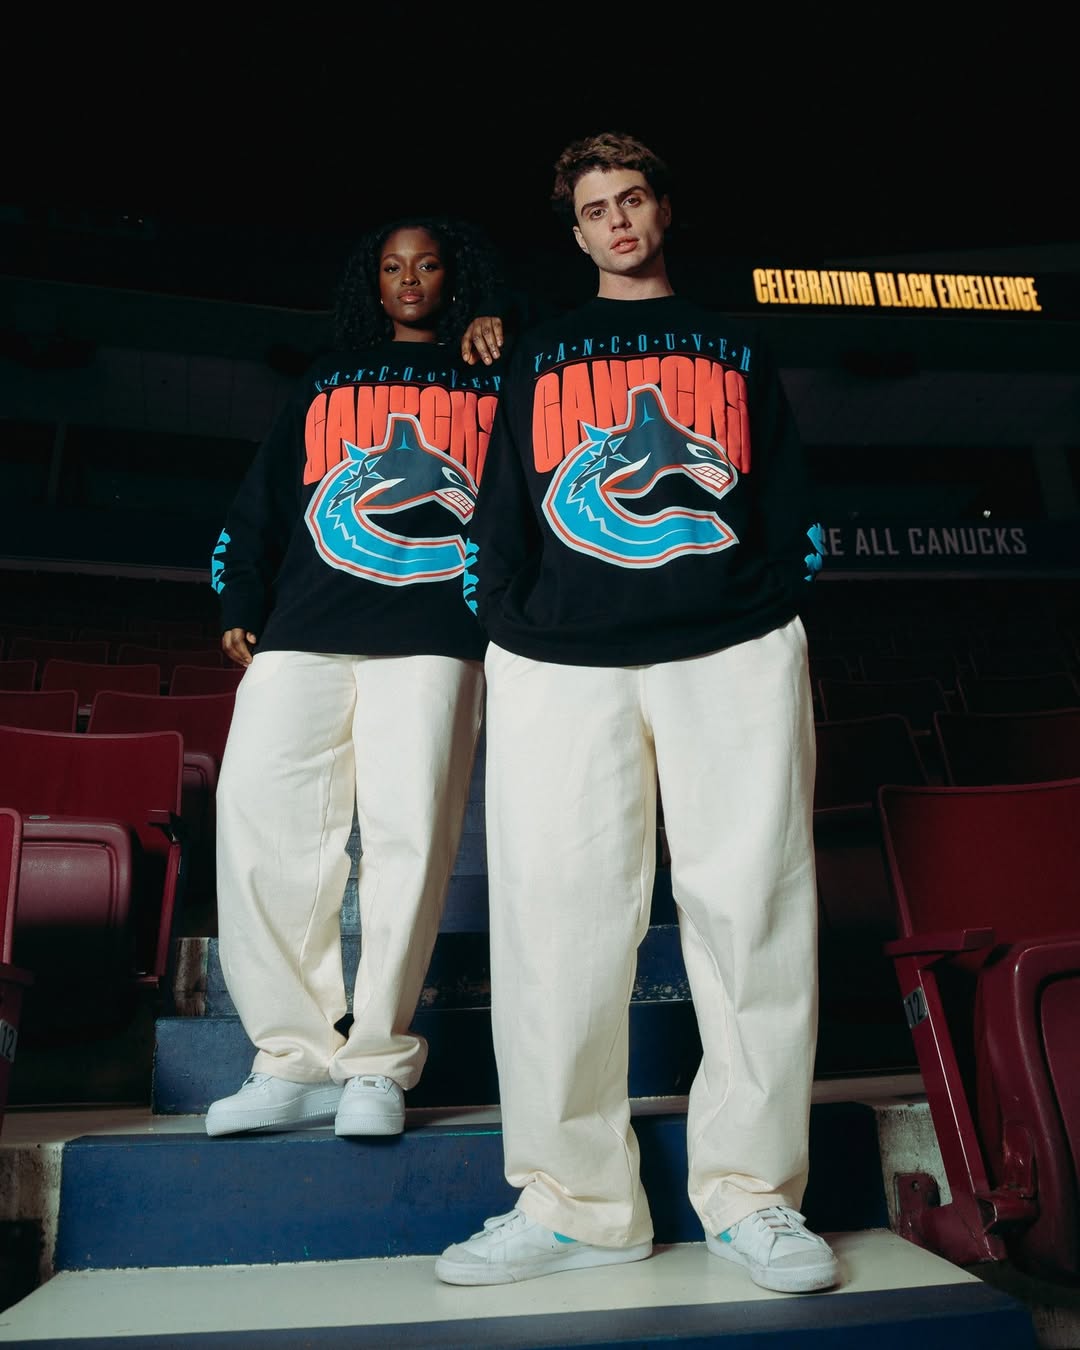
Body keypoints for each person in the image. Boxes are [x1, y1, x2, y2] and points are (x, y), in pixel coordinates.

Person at [435, 132, 834, 1294]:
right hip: (560, 658)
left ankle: (752, 1197)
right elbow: (501, 490)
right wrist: (506, 614)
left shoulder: (736, 339)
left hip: (730, 645)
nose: (617, 221)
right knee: (557, 925)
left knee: (750, 914)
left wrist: (775, 604)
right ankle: (574, 1203)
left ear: (664, 209)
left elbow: (784, 487)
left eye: (633, 198)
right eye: (595, 208)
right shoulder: (538, 348)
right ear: (575, 232)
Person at [204, 214, 505, 1139]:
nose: (409, 279)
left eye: (427, 265)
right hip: (306, 631)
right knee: (261, 828)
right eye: (391, 267)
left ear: (455, 278)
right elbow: (263, 499)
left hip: (433, 635)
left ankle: (376, 1061)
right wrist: (237, 599)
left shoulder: (494, 375)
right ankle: (291, 1056)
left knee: (409, 843)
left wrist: (507, 324)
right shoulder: (327, 378)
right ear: (372, 286)